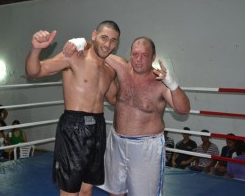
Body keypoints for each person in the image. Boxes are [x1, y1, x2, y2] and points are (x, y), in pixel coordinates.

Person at [64, 36, 190, 195]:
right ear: (130, 54)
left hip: (145, 148)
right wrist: (81, 42)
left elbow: (183, 109)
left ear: (153, 57)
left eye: (144, 55)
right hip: (117, 142)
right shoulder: (122, 68)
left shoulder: (160, 81)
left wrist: (172, 83)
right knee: (115, 192)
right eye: (135, 54)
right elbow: (101, 48)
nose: (138, 59)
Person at [25, 20, 120, 196]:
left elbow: (115, 98)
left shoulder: (109, 71)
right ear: (94, 35)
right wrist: (36, 49)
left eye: (113, 40)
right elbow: (35, 71)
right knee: (70, 191)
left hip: (98, 127)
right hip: (73, 127)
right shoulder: (74, 56)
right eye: (104, 37)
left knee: (86, 189)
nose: (108, 44)